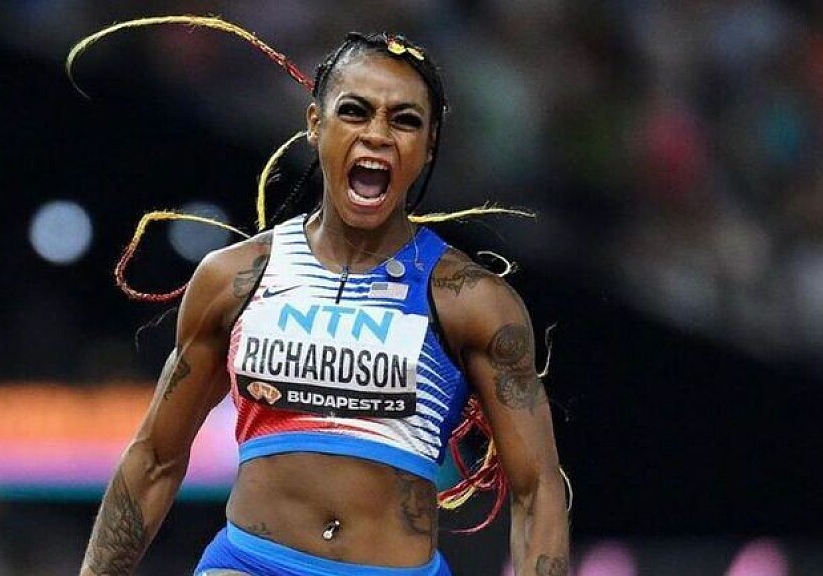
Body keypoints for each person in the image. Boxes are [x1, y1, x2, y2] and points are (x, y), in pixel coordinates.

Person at [70, 16, 570, 576]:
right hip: (250, 563)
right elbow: (155, 459)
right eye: (355, 111)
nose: (377, 134)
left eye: (404, 120)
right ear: (315, 123)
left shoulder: (471, 300)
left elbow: (537, 489)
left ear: (428, 147)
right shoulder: (235, 277)